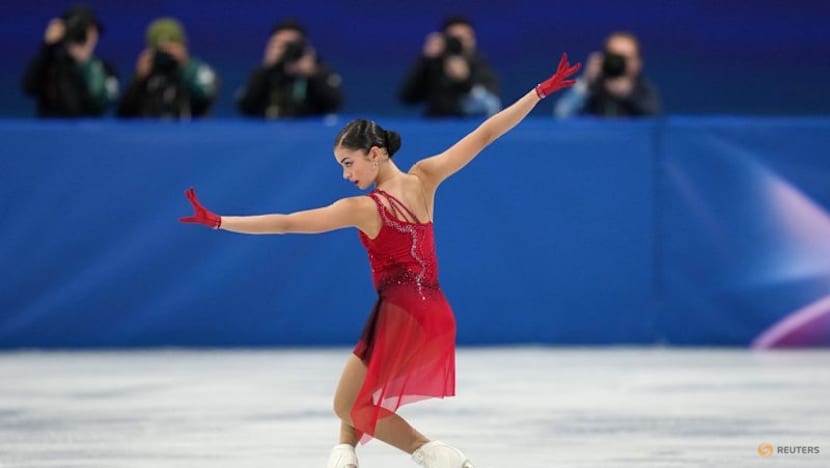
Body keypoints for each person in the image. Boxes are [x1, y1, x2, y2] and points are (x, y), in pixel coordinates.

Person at [180, 53, 580, 468]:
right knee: (354, 399)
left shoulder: (364, 208)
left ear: (375, 153)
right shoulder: (425, 178)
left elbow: (287, 223)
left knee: (350, 405)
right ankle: (346, 453)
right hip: (428, 308)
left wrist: (220, 221)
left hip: (402, 311)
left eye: (348, 163)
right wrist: (537, 92)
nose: (345, 174)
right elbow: (483, 135)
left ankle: (433, 453)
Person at [21, 4, 119, 117]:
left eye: (90, 31)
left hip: (89, 133)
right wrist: (47, 47)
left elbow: (104, 103)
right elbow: (29, 87)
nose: (84, 36)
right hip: (52, 131)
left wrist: (84, 65)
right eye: (79, 31)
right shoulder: (50, 64)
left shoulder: (103, 68)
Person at [237, 19, 343, 118]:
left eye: (291, 45)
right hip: (269, 133)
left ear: (304, 45)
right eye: (280, 45)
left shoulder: (320, 71)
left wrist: (313, 75)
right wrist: (265, 69)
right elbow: (245, 107)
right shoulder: (265, 72)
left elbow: (334, 104)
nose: (287, 50)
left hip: (311, 133)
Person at [399, 15, 500, 118]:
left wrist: (465, 80)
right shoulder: (433, 63)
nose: (460, 43)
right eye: (455, 39)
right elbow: (407, 97)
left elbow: (491, 104)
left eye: (465, 38)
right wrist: (424, 61)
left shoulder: (479, 63)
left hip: (470, 125)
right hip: (435, 125)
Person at [118, 18, 219, 119]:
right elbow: (123, 113)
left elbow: (207, 96)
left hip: (189, 132)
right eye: (160, 51)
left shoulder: (196, 69)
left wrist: (186, 69)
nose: (165, 57)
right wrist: (138, 80)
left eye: (171, 50)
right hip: (150, 131)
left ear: (182, 46)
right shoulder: (146, 74)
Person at [554, 31, 660, 118]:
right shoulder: (593, 88)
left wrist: (628, 94)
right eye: (615, 57)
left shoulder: (644, 90)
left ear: (638, 62)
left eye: (627, 58)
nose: (620, 63)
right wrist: (587, 81)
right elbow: (562, 114)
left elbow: (654, 120)